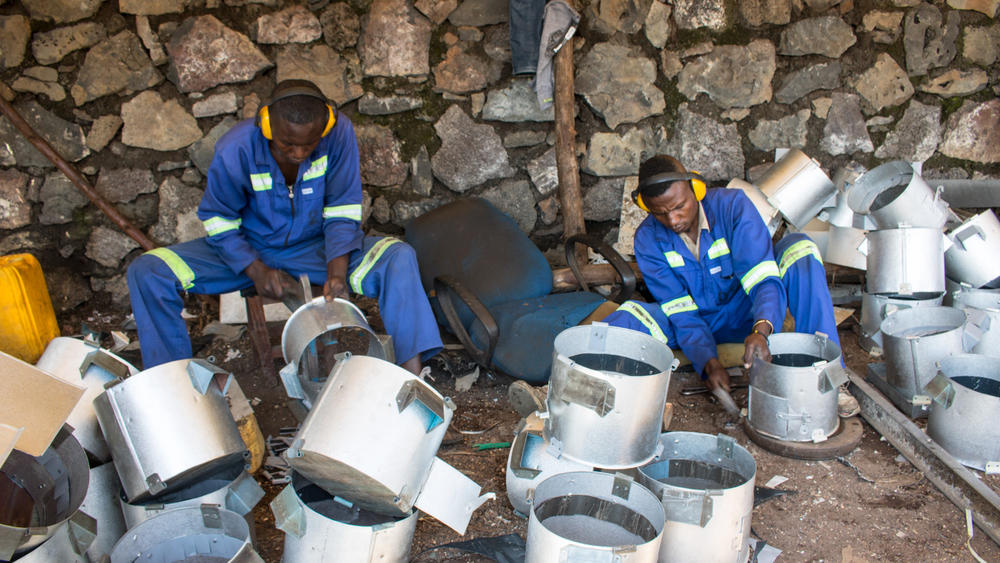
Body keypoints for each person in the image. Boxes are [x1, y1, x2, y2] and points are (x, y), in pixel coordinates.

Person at [127, 79, 442, 375]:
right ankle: (171, 384)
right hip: (247, 250)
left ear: (327, 125)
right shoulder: (235, 148)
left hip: (314, 248)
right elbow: (219, 220)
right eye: (287, 143)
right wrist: (256, 270)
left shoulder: (338, 133)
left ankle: (411, 380)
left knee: (397, 255)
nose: (299, 153)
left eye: (309, 144)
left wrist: (336, 274)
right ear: (266, 125)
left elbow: (342, 210)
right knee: (149, 270)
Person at [603, 154, 842, 393]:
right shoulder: (647, 238)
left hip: (747, 314)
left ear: (695, 190)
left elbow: (762, 280)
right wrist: (707, 363)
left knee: (800, 248)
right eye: (660, 213)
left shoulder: (733, 207)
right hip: (694, 324)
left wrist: (762, 329)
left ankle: (828, 380)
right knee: (627, 317)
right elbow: (680, 312)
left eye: (679, 207)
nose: (673, 220)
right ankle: (598, 390)